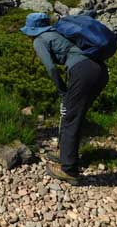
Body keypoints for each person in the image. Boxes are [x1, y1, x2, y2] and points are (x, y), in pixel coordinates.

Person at [20, 12, 109, 185]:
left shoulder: (39, 40)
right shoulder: (60, 32)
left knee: (70, 118)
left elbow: (51, 68)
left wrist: (62, 90)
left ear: (31, 30)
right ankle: (65, 154)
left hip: (83, 72)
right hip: (99, 70)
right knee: (74, 115)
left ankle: (69, 170)